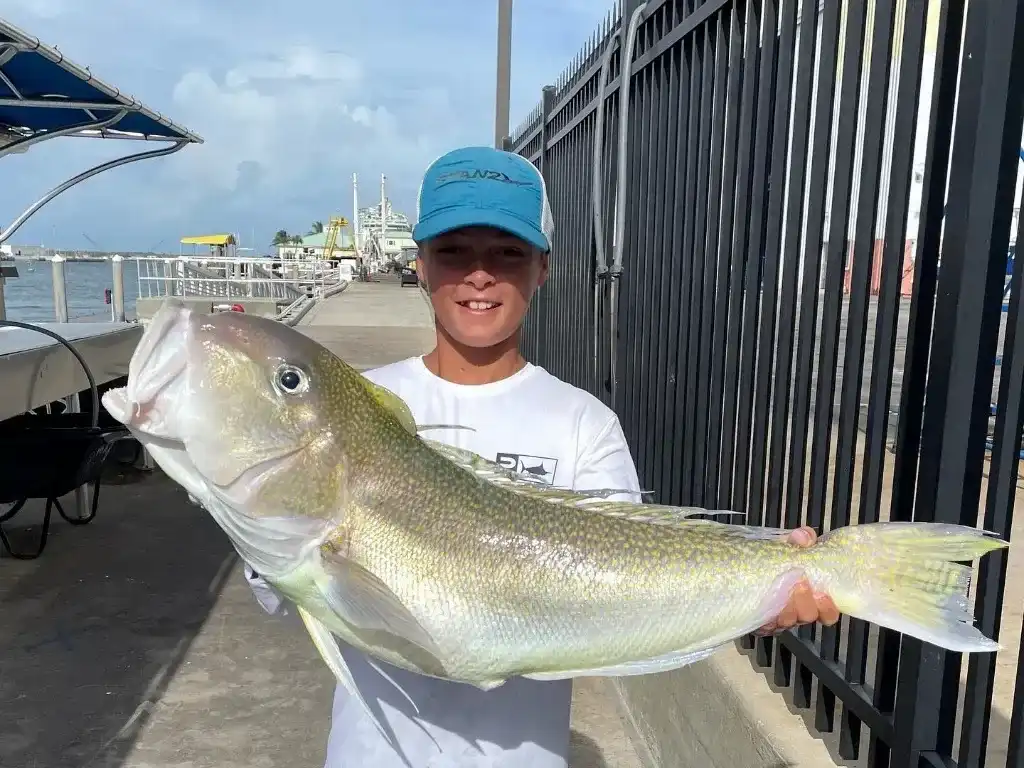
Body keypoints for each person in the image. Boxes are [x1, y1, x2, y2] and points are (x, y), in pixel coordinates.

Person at [245, 145, 840, 767]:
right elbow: (285, 593)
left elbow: (628, 596)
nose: (479, 274)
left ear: (542, 271)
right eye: (453, 252)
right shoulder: (358, 402)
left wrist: (760, 595)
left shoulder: (583, 424)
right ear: (419, 265)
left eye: (507, 253)